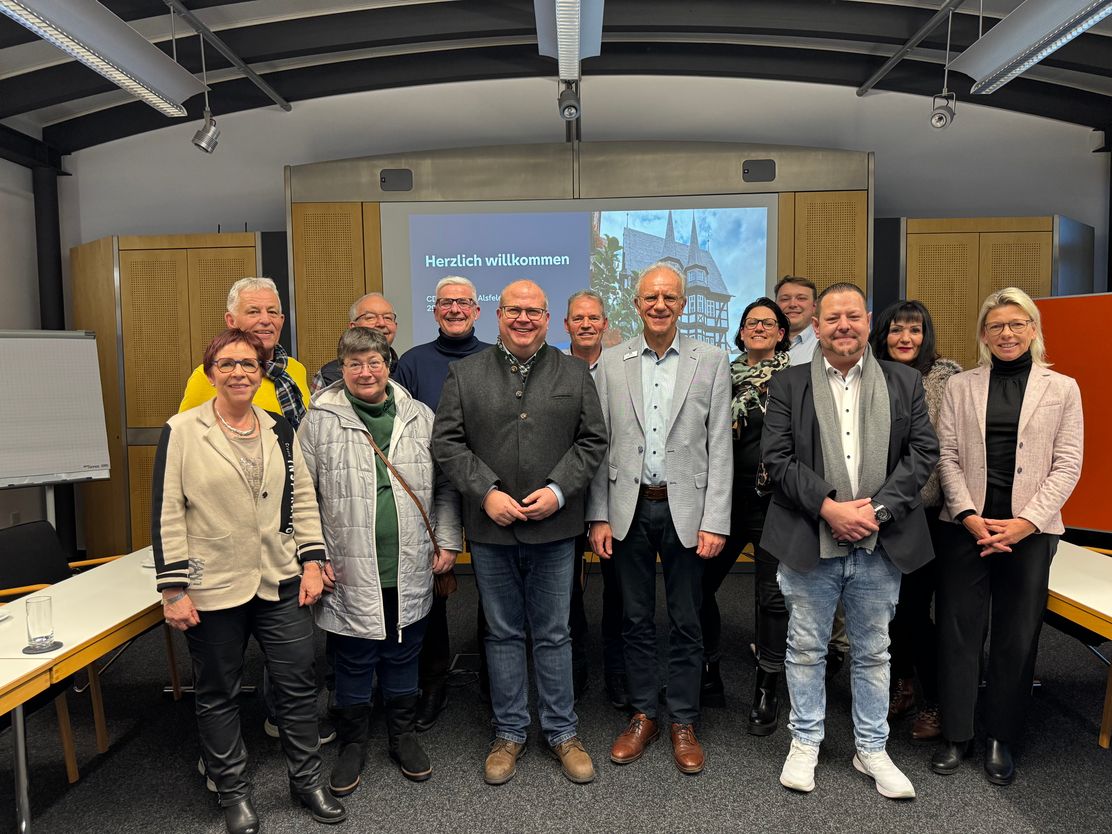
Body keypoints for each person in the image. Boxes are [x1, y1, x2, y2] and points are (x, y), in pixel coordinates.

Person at [153, 329, 345, 834]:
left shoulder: (280, 427)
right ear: (209, 371)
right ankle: (233, 793)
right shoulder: (182, 430)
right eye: (227, 363)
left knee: (298, 685)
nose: (239, 372)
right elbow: (168, 513)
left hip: (279, 578)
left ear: (262, 372)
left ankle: (307, 784)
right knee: (218, 691)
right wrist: (174, 590)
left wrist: (310, 561)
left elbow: (302, 498)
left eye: (249, 364)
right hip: (213, 583)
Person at [763, 282, 938, 800]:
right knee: (806, 647)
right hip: (808, 538)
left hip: (882, 543)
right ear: (815, 326)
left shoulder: (905, 382)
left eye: (853, 317)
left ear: (867, 322)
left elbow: (923, 454)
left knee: (874, 650)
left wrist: (876, 510)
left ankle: (872, 748)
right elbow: (776, 460)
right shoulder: (788, 384)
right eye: (832, 317)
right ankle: (806, 741)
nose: (843, 326)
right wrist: (830, 508)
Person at [432, 279, 607, 786]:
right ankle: (509, 732)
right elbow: (447, 442)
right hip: (490, 529)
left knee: (554, 633)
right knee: (503, 632)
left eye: (534, 311)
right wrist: (485, 490)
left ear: (549, 319)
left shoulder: (573, 373)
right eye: (514, 310)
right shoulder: (464, 375)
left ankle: (562, 732)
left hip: (556, 528)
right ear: (499, 315)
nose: (524, 319)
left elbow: (593, 441)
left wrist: (558, 490)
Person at [299, 327, 462, 797]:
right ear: (341, 370)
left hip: (410, 558)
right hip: (348, 562)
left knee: (404, 647)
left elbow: (447, 485)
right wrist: (312, 556)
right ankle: (353, 743)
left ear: (388, 365)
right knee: (353, 655)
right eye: (355, 364)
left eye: (374, 362)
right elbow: (302, 496)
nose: (366, 372)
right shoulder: (320, 419)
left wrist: (448, 540)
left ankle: (402, 735)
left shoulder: (420, 416)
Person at [932, 286, 1083, 786]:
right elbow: (947, 457)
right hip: (966, 529)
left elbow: (1067, 466)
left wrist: (1024, 523)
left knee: (1017, 637)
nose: (1007, 333)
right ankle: (957, 733)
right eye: (996, 326)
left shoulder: (1063, 389)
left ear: (1034, 329)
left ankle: (1001, 736)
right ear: (983, 334)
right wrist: (969, 514)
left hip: (1030, 533)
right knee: (958, 632)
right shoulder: (961, 386)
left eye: (1017, 324)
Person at [588, 262, 732, 776]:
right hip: (627, 508)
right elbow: (599, 445)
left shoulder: (712, 360)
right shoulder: (609, 362)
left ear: (683, 304)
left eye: (670, 297)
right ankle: (644, 712)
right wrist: (598, 516)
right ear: (636, 302)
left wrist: (715, 520)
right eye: (650, 297)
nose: (660, 305)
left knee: (688, 619)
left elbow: (720, 447)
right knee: (634, 618)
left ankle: (684, 720)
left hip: (686, 509)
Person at [394, 276, 492, 730]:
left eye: (463, 303)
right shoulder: (412, 363)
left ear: (477, 310)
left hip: (490, 489)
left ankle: (495, 680)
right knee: (432, 587)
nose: (455, 309)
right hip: (430, 492)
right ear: (435, 310)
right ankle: (432, 683)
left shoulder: (496, 358)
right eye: (446, 303)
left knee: (494, 586)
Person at [870, 301, 962, 742]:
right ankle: (901, 685)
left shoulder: (945, 381)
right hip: (875, 515)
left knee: (914, 612)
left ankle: (934, 700)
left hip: (924, 514)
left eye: (914, 330)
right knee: (886, 613)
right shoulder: (868, 375)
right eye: (896, 330)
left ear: (926, 336)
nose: (905, 338)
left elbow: (940, 452)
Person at [700, 298, 791, 738]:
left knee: (772, 599)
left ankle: (766, 690)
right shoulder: (722, 378)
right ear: (740, 332)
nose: (759, 328)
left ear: (781, 333)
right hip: (726, 501)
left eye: (768, 323)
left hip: (777, 503)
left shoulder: (797, 381)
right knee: (697, 586)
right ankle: (708, 669)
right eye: (752, 322)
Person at [563, 289, 627, 708]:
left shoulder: (624, 369)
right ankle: (573, 674)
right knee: (566, 595)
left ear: (605, 324)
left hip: (617, 494)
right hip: (564, 496)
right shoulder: (551, 369)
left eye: (594, 318)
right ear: (565, 325)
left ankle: (618, 676)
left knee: (619, 592)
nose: (586, 324)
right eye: (578, 318)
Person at [180, 277, 310, 429]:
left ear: (281, 320)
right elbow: (185, 438)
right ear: (231, 321)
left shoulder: (295, 369)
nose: (266, 320)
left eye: (272, 312)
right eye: (254, 312)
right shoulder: (210, 375)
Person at [311, 292, 400, 392]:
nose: (381, 323)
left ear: (396, 326)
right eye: (370, 317)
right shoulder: (328, 375)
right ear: (353, 327)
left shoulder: (407, 369)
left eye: (387, 317)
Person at [775, 275, 818, 366]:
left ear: (814, 306)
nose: (792, 304)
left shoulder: (825, 344)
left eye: (801, 298)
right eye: (785, 299)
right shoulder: (762, 340)